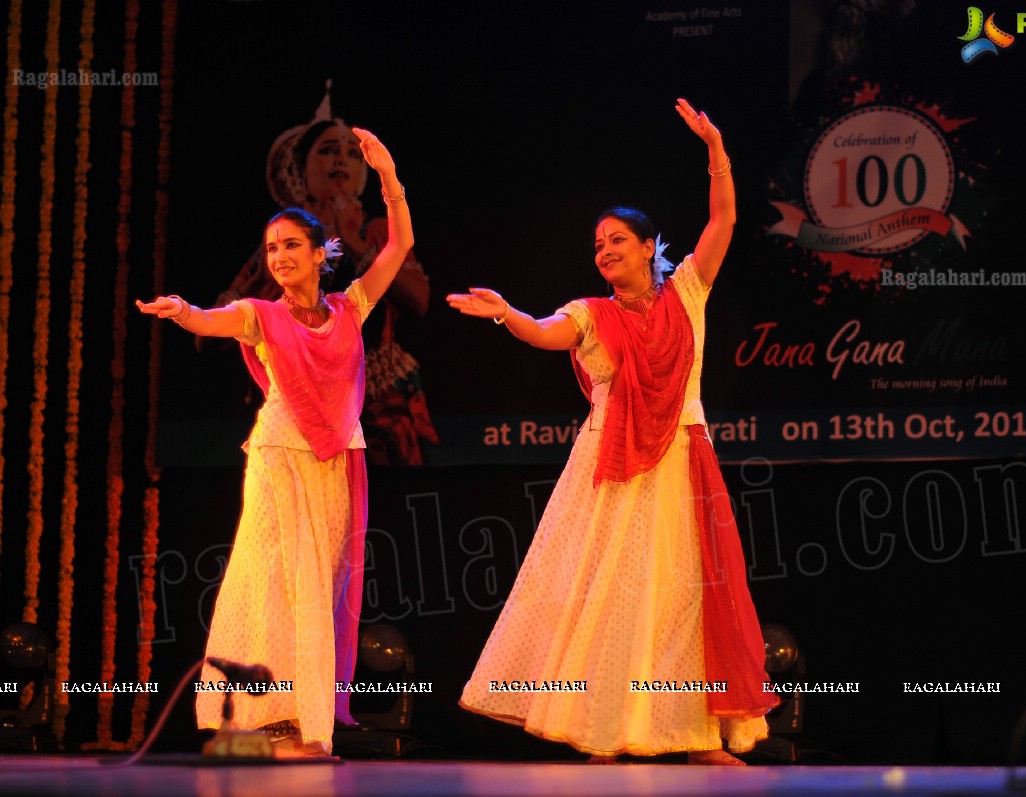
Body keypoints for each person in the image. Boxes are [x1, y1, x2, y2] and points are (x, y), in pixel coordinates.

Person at [449, 99, 778, 765]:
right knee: (609, 599)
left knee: (684, 602)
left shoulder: (687, 292)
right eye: (597, 245)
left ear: (650, 244)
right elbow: (546, 332)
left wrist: (715, 148)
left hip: (683, 457)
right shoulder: (591, 312)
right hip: (613, 465)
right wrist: (505, 313)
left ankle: (694, 737)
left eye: (617, 240)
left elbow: (725, 219)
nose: (604, 251)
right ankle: (601, 730)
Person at [137, 128, 413, 758]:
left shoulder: (351, 308)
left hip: (336, 460)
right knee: (273, 582)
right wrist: (184, 313)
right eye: (271, 248)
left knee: (322, 586)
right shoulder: (263, 315)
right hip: (279, 458)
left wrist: (390, 178)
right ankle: (272, 721)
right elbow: (215, 318)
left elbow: (401, 245)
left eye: (292, 245)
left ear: (322, 253)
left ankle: (304, 721)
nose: (280, 256)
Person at [204, 83, 437, 465]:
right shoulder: (276, 250)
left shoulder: (373, 233)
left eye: (350, 154)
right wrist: (214, 304)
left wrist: (359, 232)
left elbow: (418, 299)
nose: (341, 161)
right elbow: (209, 341)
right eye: (327, 151)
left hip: (378, 397)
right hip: (297, 415)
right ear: (301, 168)